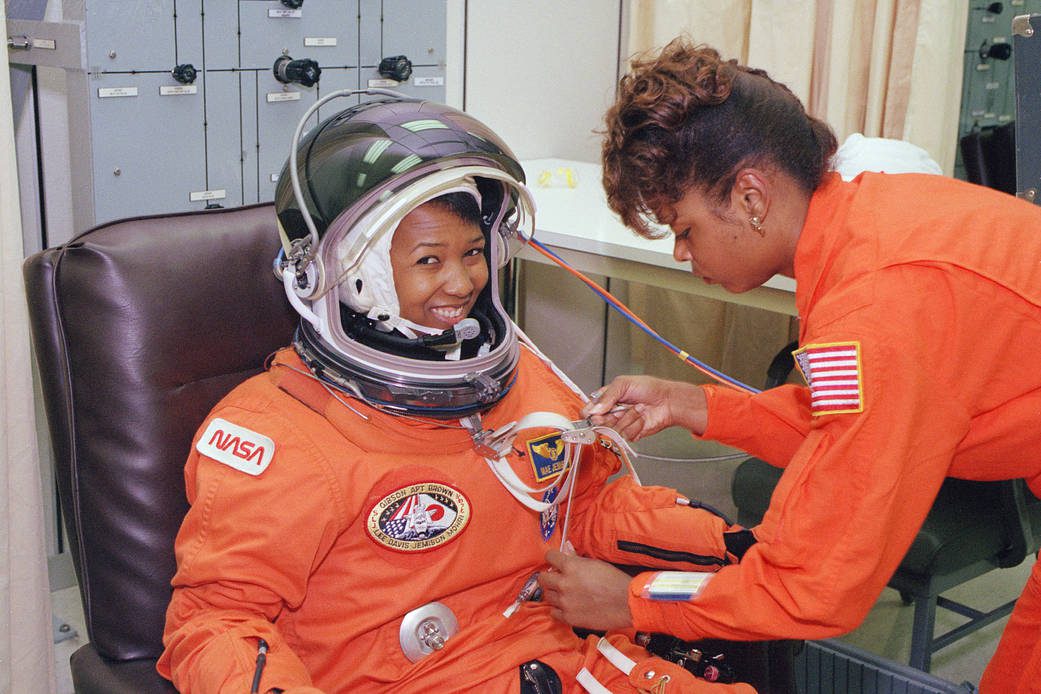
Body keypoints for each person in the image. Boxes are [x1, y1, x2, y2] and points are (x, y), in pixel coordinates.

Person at [156, 95, 761, 693]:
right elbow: (218, 625)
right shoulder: (279, 435)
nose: (461, 280)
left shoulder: (524, 378)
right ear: (351, 270)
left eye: (473, 253)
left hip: (573, 660)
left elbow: (590, 506)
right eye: (428, 260)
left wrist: (735, 546)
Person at [537, 38, 1041, 692]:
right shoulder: (864, 224)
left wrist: (632, 601)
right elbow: (847, 428)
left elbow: (816, 588)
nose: (684, 256)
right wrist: (694, 405)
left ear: (749, 196)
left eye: (684, 230)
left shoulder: (873, 306)